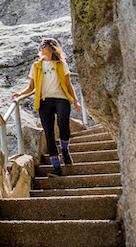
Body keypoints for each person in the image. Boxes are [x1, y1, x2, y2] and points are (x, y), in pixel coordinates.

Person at [11, 38, 81, 177]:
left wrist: (76, 101)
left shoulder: (61, 64)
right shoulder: (36, 66)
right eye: (40, 46)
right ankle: (56, 167)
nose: (41, 48)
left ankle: (65, 151)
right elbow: (32, 86)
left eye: (43, 45)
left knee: (63, 123)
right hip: (44, 101)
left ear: (51, 48)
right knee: (48, 134)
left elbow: (68, 84)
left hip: (61, 99)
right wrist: (20, 93)